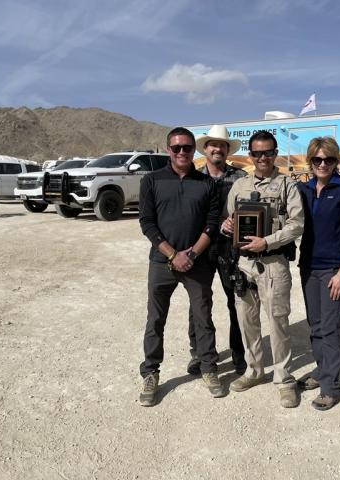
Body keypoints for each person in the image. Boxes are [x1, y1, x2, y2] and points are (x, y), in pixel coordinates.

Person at [138, 126, 223, 407]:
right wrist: (174, 254)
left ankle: (209, 367)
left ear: (193, 150)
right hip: (162, 262)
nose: (182, 152)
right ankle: (151, 373)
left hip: (197, 263)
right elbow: (147, 223)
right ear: (168, 150)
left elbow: (212, 224)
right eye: (177, 148)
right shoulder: (151, 180)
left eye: (187, 147)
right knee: (155, 320)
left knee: (203, 317)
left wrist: (192, 254)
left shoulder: (206, 183)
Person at [221, 130, 304, 408]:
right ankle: (254, 370)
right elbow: (230, 218)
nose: (262, 158)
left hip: (273, 263)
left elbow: (297, 224)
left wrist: (266, 241)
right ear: (250, 155)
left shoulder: (287, 186)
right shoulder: (240, 186)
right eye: (257, 153)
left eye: (268, 152)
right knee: (248, 320)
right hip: (244, 263)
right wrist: (226, 226)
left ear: (275, 153)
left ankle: (283, 378)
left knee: (278, 320)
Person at [296, 136, 340, 411]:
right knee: (315, 325)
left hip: (333, 269)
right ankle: (322, 371)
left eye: (329, 160)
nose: (323, 164)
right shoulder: (303, 190)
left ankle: (331, 387)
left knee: (331, 328)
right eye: (317, 159)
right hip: (308, 267)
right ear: (310, 161)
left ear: (336, 162)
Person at [186, 125, 248, 376]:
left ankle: (239, 352)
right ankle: (199, 353)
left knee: (237, 301)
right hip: (200, 247)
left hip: (230, 249)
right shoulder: (193, 178)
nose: (217, 148)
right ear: (206, 148)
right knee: (198, 302)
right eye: (213, 144)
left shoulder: (240, 177)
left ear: (226, 149)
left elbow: (247, 211)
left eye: (222, 145)